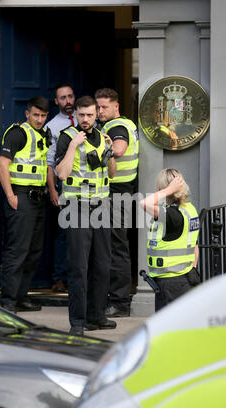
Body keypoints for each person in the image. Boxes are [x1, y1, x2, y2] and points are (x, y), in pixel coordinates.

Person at [55, 95, 117, 336]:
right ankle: (78, 322)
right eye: (81, 115)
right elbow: (61, 173)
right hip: (76, 208)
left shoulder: (102, 138)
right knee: (79, 267)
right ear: (76, 115)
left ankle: (96, 316)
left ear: (96, 114)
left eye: (90, 114)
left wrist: (110, 153)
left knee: (102, 264)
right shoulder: (67, 137)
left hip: (101, 207)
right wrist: (73, 147)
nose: (86, 119)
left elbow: (111, 174)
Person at [0, 96, 51, 313]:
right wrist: (10, 196)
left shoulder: (42, 134)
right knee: (17, 250)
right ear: (27, 114)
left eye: (43, 116)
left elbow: (44, 165)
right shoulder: (18, 133)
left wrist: (51, 190)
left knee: (33, 251)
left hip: (37, 199)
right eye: (36, 115)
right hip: (20, 197)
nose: (39, 119)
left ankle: (21, 296)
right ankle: (8, 301)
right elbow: (2, 165)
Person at [95, 88, 139, 318]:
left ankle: (120, 303)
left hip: (116, 193)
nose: (100, 111)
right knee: (114, 245)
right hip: (121, 192)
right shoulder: (126, 124)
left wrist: (108, 148)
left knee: (115, 247)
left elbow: (119, 149)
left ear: (116, 107)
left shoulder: (117, 127)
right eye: (98, 107)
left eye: (104, 107)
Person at [139, 168, 200, 312]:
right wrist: (192, 269)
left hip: (170, 283)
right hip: (187, 277)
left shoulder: (172, 215)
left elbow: (144, 204)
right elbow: (195, 246)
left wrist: (167, 190)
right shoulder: (189, 209)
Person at [46, 83, 77, 293]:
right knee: (63, 234)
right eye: (63, 98)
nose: (68, 101)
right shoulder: (52, 126)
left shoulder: (86, 117)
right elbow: (49, 162)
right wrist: (53, 190)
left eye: (70, 96)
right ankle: (59, 278)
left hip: (89, 187)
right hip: (64, 186)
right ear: (56, 101)